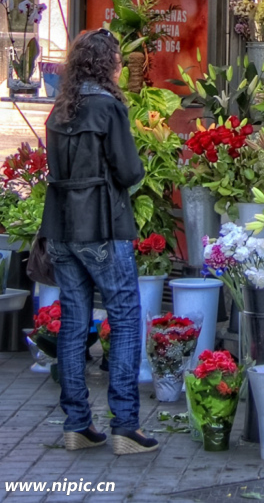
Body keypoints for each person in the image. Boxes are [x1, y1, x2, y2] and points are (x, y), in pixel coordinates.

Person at [40, 29, 157, 455]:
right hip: (102, 226)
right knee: (125, 318)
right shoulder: (108, 108)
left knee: (74, 322)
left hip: (61, 227)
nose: (123, 68)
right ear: (108, 66)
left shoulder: (59, 110)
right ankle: (125, 426)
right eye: (119, 62)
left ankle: (76, 424)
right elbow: (129, 172)